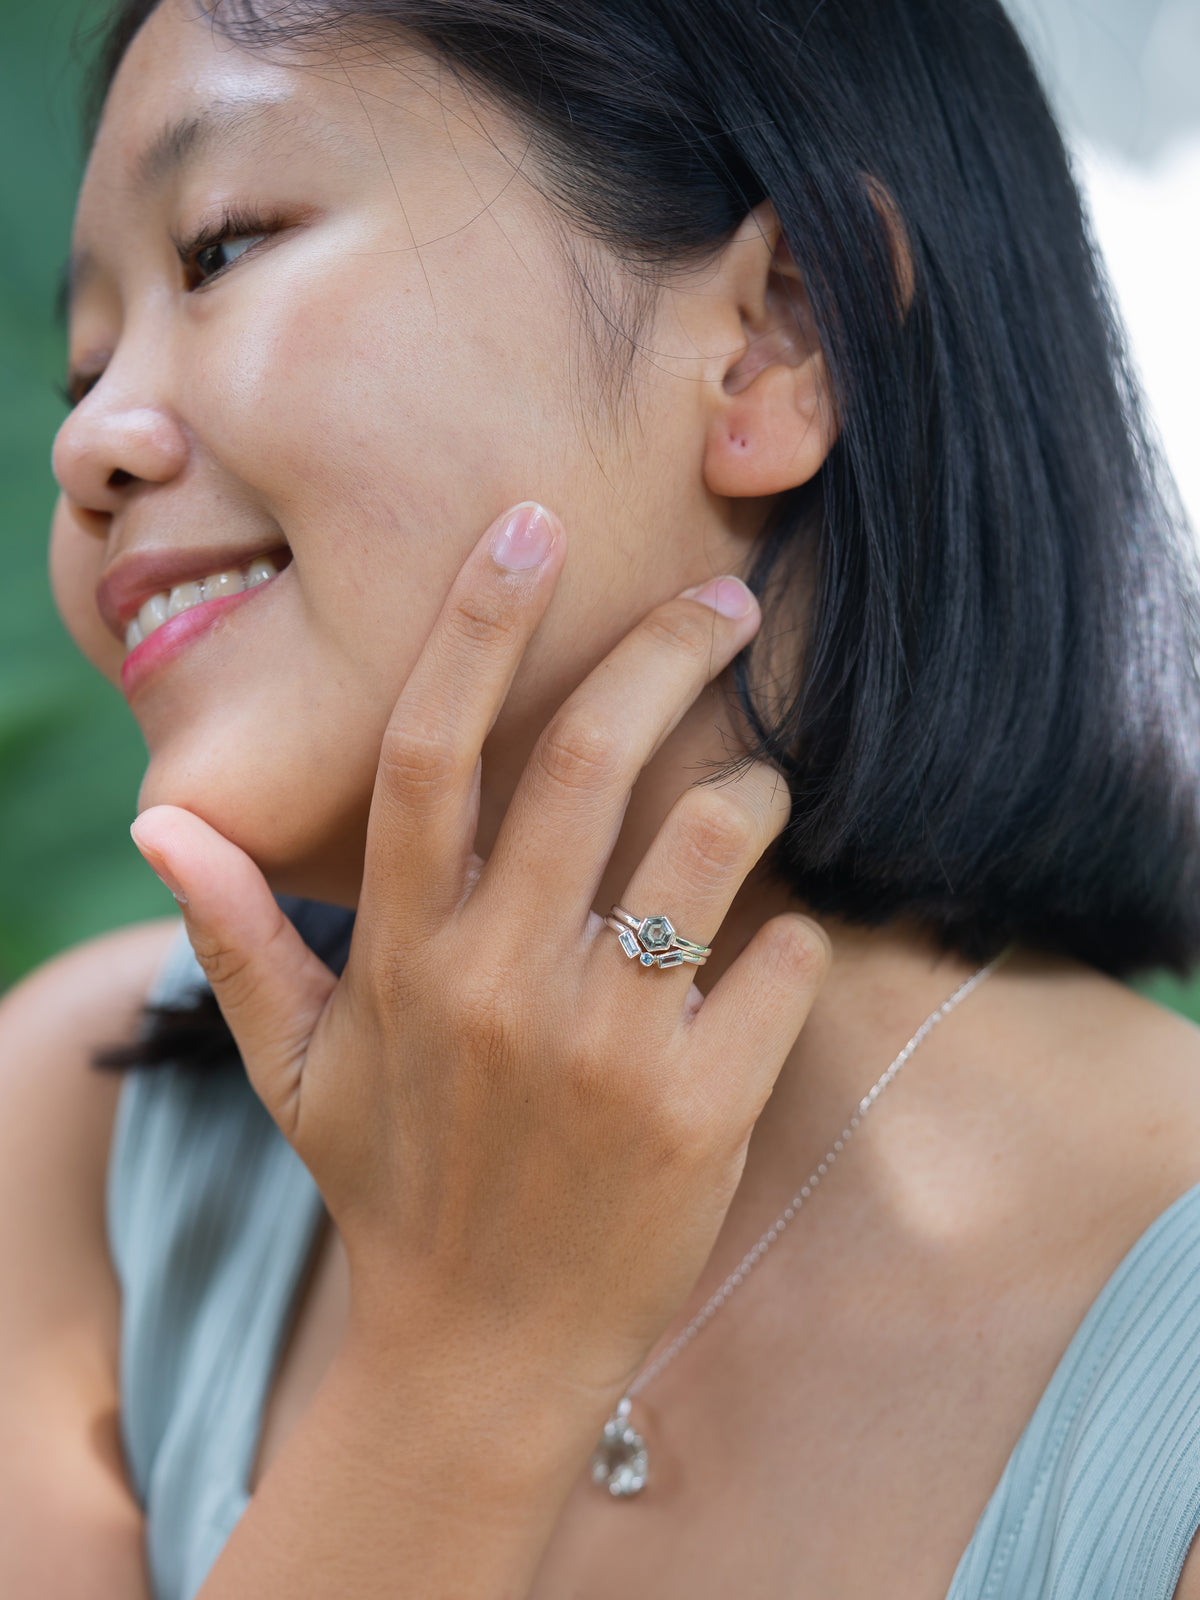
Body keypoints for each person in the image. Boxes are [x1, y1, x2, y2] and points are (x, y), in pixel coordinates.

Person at [5, 0, 1200, 1593]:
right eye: (87, 363)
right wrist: (460, 1368)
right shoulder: (73, 1131)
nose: (88, 440)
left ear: (778, 336)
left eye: (221, 248)